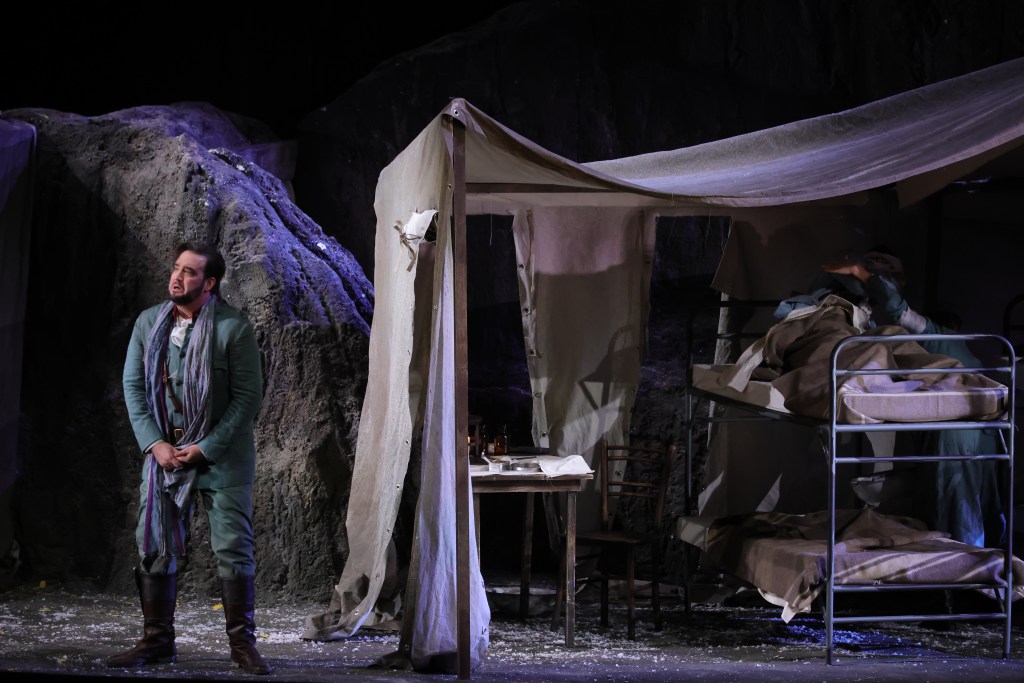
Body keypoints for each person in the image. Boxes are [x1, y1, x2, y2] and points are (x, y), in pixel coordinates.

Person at [106, 242, 270, 675]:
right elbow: (134, 388)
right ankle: (157, 641)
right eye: (176, 268)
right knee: (155, 545)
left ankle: (243, 645)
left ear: (209, 283)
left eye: (190, 272)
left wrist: (206, 447)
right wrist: (154, 443)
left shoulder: (232, 328)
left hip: (221, 458)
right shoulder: (149, 323)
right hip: (164, 456)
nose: (177, 277)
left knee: (233, 548)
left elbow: (248, 399)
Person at [821, 248, 1005, 549]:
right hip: (970, 430)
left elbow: (898, 311)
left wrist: (860, 273)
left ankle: (959, 562)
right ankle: (971, 561)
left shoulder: (936, 336)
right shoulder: (944, 345)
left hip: (960, 432)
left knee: (955, 503)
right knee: (964, 503)